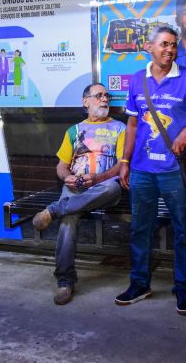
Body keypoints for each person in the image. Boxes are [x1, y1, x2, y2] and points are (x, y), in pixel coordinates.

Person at [116, 26, 186, 315]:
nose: (169, 50)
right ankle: (139, 283)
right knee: (140, 229)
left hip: (176, 170)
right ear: (150, 47)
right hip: (141, 170)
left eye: (173, 45)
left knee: (183, 229)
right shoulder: (138, 81)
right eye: (164, 44)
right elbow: (133, 125)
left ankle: (184, 288)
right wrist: (124, 162)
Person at [32, 83, 126, 305]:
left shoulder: (119, 128)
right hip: (76, 187)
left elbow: (122, 167)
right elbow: (61, 166)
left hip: (104, 188)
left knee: (112, 187)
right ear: (86, 102)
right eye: (99, 96)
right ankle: (65, 281)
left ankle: (54, 209)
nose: (105, 99)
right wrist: (67, 178)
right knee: (69, 219)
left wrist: (97, 178)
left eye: (107, 96)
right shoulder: (74, 131)